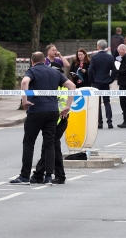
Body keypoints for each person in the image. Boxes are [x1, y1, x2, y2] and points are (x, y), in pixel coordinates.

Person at [11, 52, 75, 185]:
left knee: (29, 143)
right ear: (45, 60)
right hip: (52, 112)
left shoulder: (32, 71)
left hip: (36, 110)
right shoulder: (54, 72)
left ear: (32, 61)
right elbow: (72, 86)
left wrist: (24, 101)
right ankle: (48, 177)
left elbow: (24, 82)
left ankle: (24, 177)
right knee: (49, 144)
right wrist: (67, 106)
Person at [33, 84, 72, 184]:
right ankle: (59, 175)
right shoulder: (59, 87)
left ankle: (39, 173)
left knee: (48, 146)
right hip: (58, 120)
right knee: (54, 147)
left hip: (58, 121)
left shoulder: (57, 87)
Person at [90, 40, 115, 129]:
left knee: (98, 103)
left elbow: (90, 70)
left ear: (99, 47)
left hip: (96, 82)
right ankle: (109, 121)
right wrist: (111, 79)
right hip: (106, 82)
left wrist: (92, 80)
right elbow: (114, 70)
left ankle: (99, 122)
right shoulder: (110, 57)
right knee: (107, 102)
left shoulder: (94, 57)